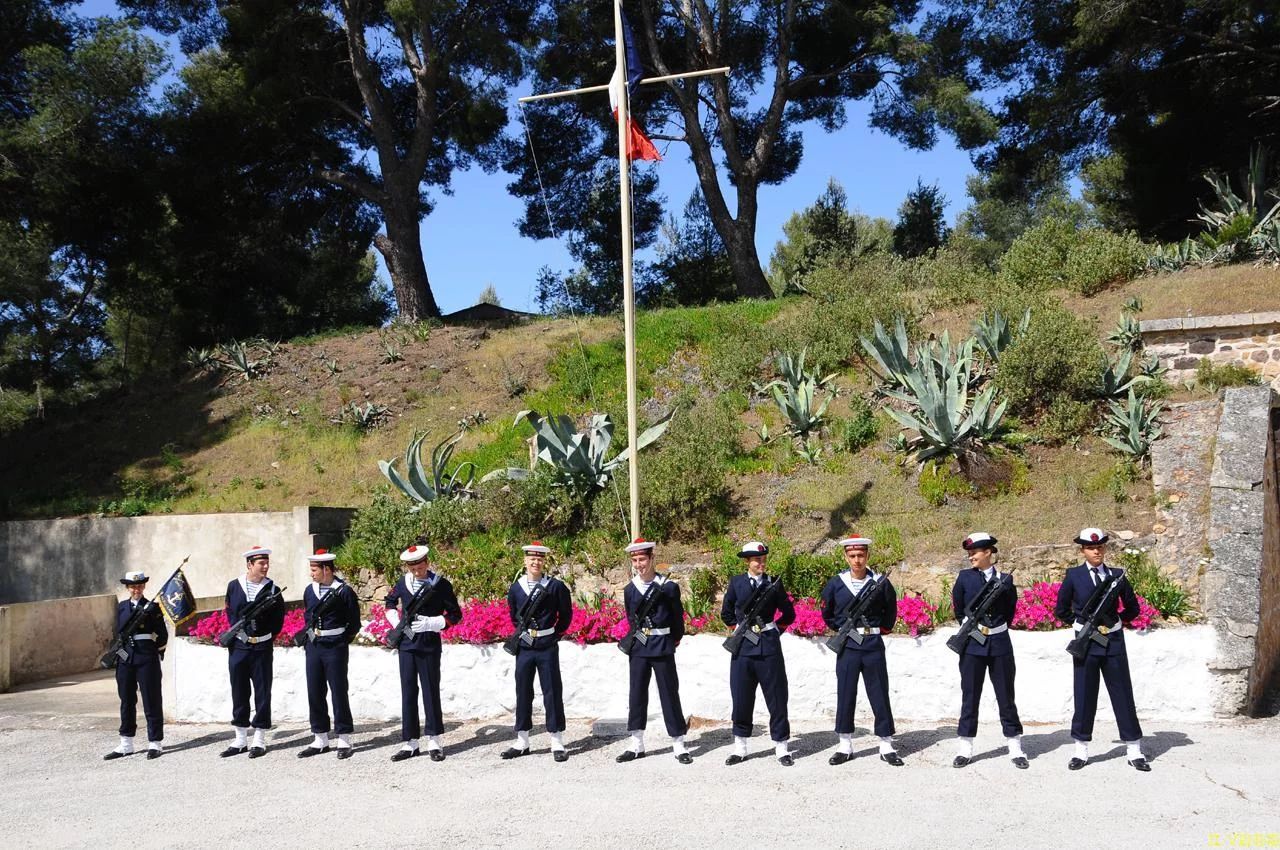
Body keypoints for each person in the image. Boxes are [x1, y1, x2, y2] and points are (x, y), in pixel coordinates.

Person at [1054, 527, 1150, 772]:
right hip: (1086, 642)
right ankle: (1081, 750)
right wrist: (1081, 626)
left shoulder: (1117, 575)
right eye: (1090, 547)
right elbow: (1062, 609)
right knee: (1084, 695)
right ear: (1083, 550)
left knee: (1122, 695)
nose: (1096, 551)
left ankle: (1134, 750)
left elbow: (1132, 608)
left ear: (1104, 548)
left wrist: (1115, 621)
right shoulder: (1074, 576)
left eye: (1099, 547)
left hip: (1113, 641)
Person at [820, 535, 903, 767]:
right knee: (846, 693)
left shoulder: (880, 582)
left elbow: (890, 612)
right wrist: (843, 630)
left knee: (879, 693)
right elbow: (828, 612)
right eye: (852, 556)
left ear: (867, 556)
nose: (857, 560)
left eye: (861, 555)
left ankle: (886, 744)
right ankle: (845, 744)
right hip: (847, 646)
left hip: (872, 645)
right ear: (846, 557)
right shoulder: (836, 583)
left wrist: (878, 630)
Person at [950, 532, 1027, 769]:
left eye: (975, 553)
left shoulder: (1005, 580)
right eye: (969, 553)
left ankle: (1015, 746)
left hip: (1000, 643)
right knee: (970, 695)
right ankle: (965, 747)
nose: (971, 557)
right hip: (973, 644)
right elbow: (959, 610)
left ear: (989, 553)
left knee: (1006, 696)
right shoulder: (964, 578)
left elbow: (1010, 612)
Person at [384, 543, 462, 762]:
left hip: (428, 644)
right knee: (408, 692)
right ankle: (410, 743)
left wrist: (432, 622)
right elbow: (390, 602)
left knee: (430, 691)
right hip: (407, 644)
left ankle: (435, 741)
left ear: (427, 562)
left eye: (419, 567)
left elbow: (455, 615)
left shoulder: (440, 585)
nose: (416, 571)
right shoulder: (403, 582)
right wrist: (396, 622)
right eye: (412, 568)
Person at [616, 538, 692, 765]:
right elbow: (631, 618)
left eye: (642, 559)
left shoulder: (668, 587)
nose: (639, 564)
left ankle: (678, 744)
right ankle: (636, 744)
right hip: (639, 648)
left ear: (652, 559)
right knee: (637, 694)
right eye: (635, 560)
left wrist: (672, 641)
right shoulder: (630, 589)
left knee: (669, 694)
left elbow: (677, 620)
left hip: (662, 646)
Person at [721, 540, 797, 766]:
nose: (761, 563)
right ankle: (741, 747)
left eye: (763, 559)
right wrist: (740, 630)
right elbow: (726, 613)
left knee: (776, 697)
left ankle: (782, 747)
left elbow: (788, 614)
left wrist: (773, 630)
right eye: (756, 560)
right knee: (742, 697)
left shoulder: (774, 584)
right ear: (747, 561)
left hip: (768, 647)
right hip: (743, 649)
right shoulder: (736, 583)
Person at [502, 541, 574, 762]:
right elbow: (515, 616)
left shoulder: (555, 587)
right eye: (532, 559)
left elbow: (566, 614)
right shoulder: (516, 588)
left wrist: (553, 633)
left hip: (546, 645)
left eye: (539, 559)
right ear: (525, 561)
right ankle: (522, 740)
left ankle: (556, 740)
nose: (536, 562)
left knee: (552, 691)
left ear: (544, 562)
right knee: (523, 690)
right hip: (524, 646)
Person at [221, 545, 285, 758]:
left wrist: (262, 633)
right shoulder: (234, 586)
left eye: (267, 563)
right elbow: (230, 613)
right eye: (261, 563)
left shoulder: (273, 590)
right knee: (239, 690)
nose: (266, 567)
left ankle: (259, 738)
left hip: (262, 647)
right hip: (239, 646)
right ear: (249, 564)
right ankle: (240, 738)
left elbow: (278, 621)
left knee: (262, 691)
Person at [297, 549, 361, 759]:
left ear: (326, 569)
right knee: (315, 691)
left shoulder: (344, 591)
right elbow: (308, 616)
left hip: (335, 645)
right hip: (315, 645)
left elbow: (354, 623)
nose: (312, 573)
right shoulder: (309, 590)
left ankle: (343, 738)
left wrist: (341, 640)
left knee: (338, 691)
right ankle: (320, 738)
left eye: (314, 569)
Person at [104, 570, 167, 761]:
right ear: (127, 588)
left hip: (146, 656)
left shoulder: (153, 607)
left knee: (151, 699)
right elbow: (117, 632)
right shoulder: (122, 607)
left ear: (144, 586)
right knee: (127, 700)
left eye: (139, 586)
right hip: (125, 658)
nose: (136, 589)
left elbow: (162, 634)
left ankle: (155, 742)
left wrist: (154, 651)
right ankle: (126, 743)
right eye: (133, 586)